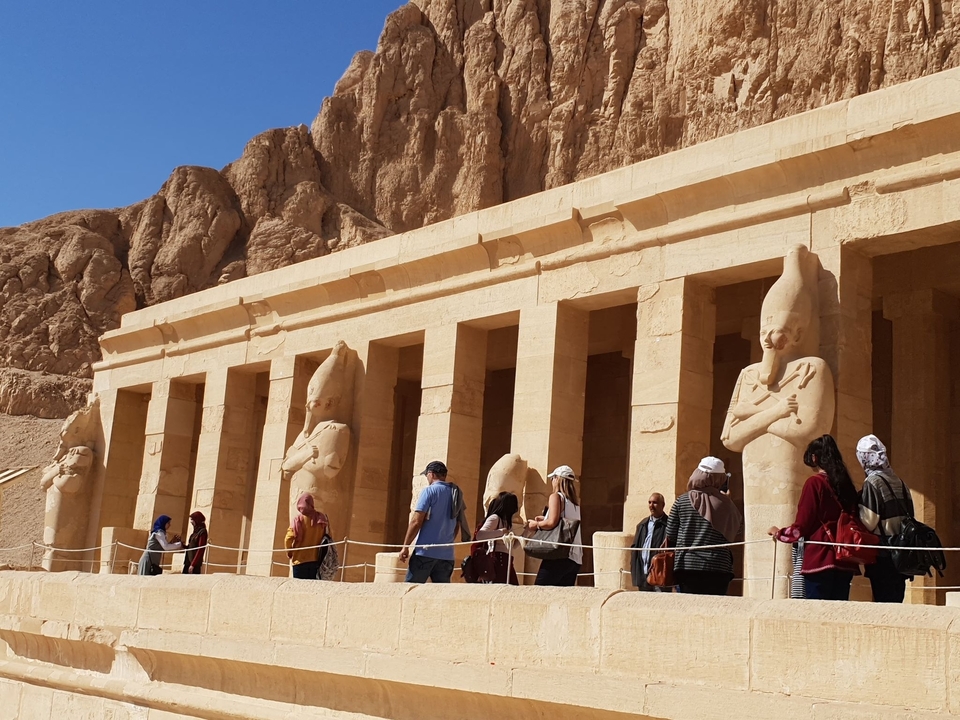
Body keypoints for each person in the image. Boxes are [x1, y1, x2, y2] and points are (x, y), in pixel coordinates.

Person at [770, 434, 861, 600]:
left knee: (817, 613)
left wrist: (779, 533)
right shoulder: (846, 485)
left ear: (814, 457)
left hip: (820, 557)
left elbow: (802, 525)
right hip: (846, 560)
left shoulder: (814, 483)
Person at [665, 457, 742, 595]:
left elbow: (670, 533)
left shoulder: (682, 501)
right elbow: (737, 531)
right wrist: (726, 503)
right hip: (719, 567)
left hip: (687, 566)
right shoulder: (728, 505)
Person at [857, 434, 914, 603]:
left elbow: (869, 521)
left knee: (884, 605)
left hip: (884, 555)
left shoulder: (873, 483)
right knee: (897, 602)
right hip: (902, 554)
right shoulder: (900, 482)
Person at [400, 461, 463, 583]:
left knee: (410, 590)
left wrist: (405, 546)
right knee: (440, 595)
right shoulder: (456, 493)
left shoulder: (428, 491)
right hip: (447, 555)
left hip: (425, 552)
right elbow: (457, 524)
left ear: (431, 474)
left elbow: (416, 521)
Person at [526, 465, 583, 587]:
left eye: (553, 478)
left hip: (559, 554)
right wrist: (544, 519)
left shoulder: (556, 496)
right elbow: (563, 522)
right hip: (575, 557)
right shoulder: (574, 504)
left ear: (557, 479)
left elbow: (552, 522)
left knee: (540, 590)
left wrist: (536, 525)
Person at [474, 491, 520, 584]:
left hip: (507, 560)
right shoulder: (495, 518)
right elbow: (480, 535)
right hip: (497, 560)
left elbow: (513, 545)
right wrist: (500, 532)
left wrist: (528, 531)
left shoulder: (507, 522)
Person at [284, 492, 329, 579]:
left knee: (299, 588)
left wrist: (289, 551)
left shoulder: (298, 520)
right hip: (315, 560)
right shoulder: (321, 519)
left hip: (299, 560)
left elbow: (288, 538)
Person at [630, 493, 668, 591]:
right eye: (649, 502)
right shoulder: (642, 525)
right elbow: (635, 549)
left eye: (655, 503)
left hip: (659, 576)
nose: (651, 505)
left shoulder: (668, 525)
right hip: (643, 575)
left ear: (662, 505)